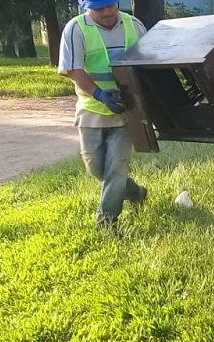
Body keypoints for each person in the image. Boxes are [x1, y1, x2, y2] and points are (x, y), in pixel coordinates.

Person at [58, 0, 148, 229]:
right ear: (87, 7)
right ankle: (136, 193)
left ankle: (107, 221)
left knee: (117, 167)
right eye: (99, 9)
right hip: (92, 110)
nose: (107, 12)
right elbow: (73, 70)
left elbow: (148, 64)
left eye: (110, 6)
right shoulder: (76, 29)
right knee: (97, 169)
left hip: (126, 111)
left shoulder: (134, 25)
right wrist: (100, 94)